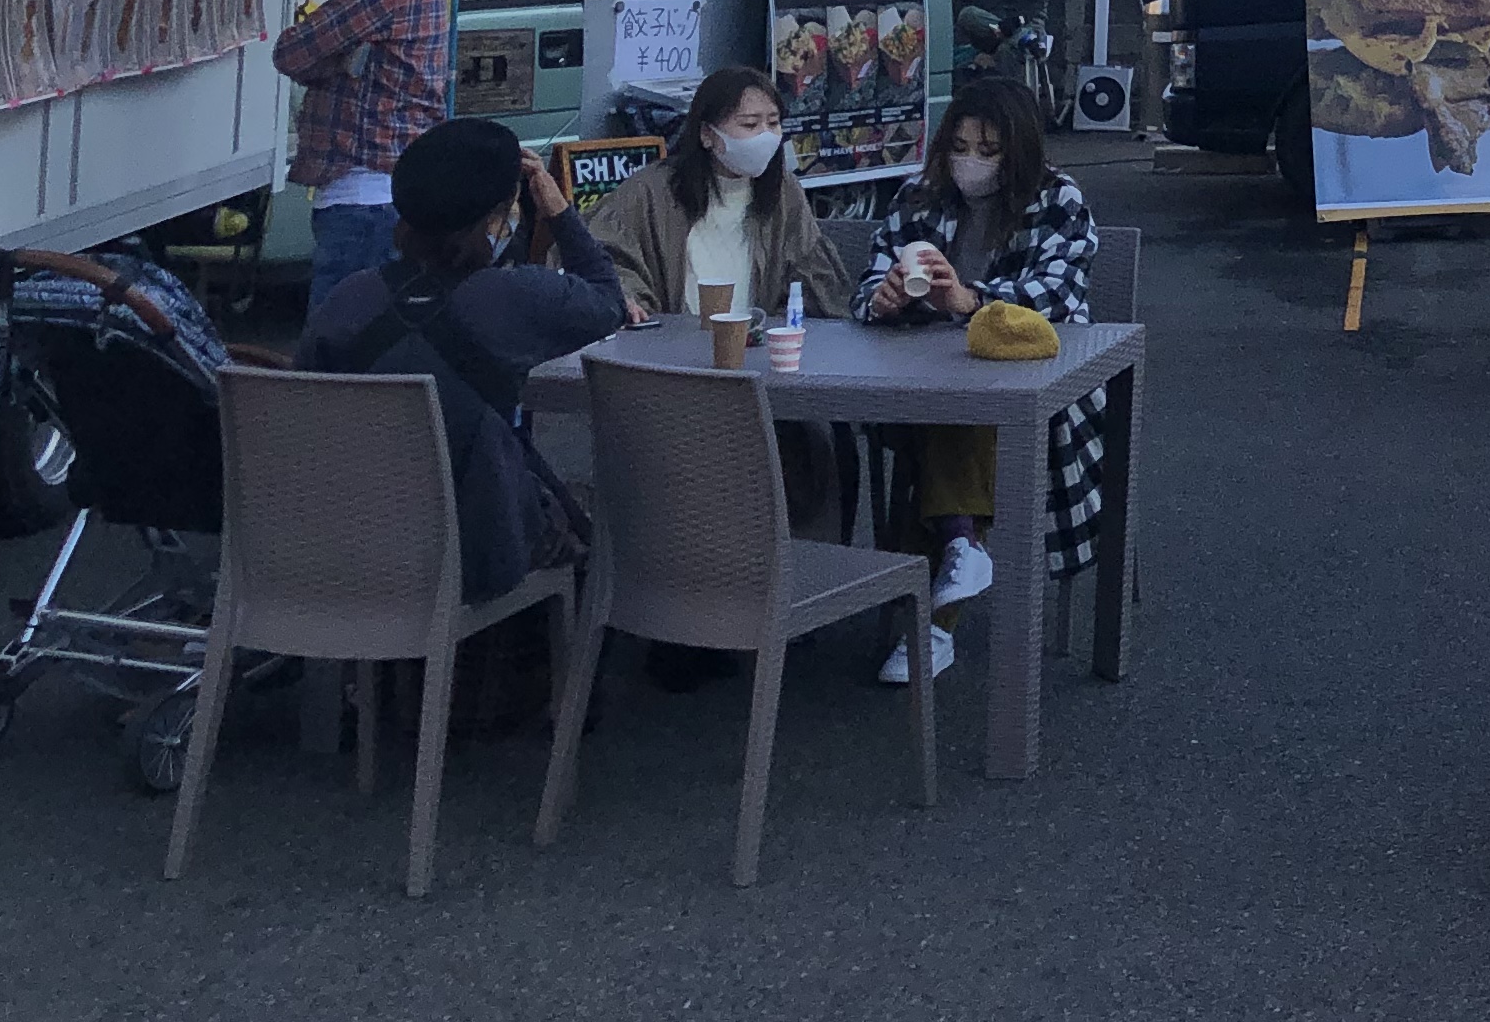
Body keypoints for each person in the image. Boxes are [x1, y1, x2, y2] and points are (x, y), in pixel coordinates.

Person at [297, 115, 625, 604]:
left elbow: (306, 396)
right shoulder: (518, 297)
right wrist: (558, 210)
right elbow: (608, 300)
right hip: (476, 556)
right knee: (580, 516)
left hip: (345, 546)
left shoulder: (348, 298)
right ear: (495, 220)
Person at [851, 75, 1108, 682]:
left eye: (989, 151)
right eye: (960, 147)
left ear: (1019, 152)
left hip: (1034, 389)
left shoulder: (1059, 200)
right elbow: (869, 279)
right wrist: (883, 299)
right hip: (919, 388)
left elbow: (1056, 295)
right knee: (945, 409)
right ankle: (961, 548)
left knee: (964, 413)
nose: (970, 162)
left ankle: (936, 619)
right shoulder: (918, 197)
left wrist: (969, 300)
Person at [277, 0, 465, 320]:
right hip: (384, 191)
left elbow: (291, 52)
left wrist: (335, 62)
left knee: (337, 346)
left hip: (364, 199)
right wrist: (338, 61)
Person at [589, 66, 849, 325]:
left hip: (755, 341)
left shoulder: (784, 190)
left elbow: (814, 280)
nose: (765, 136)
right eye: (750, 124)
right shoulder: (651, 190)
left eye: (773, 123)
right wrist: (626, 297)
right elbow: (603, 256)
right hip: (671, 339)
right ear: (707, 134)